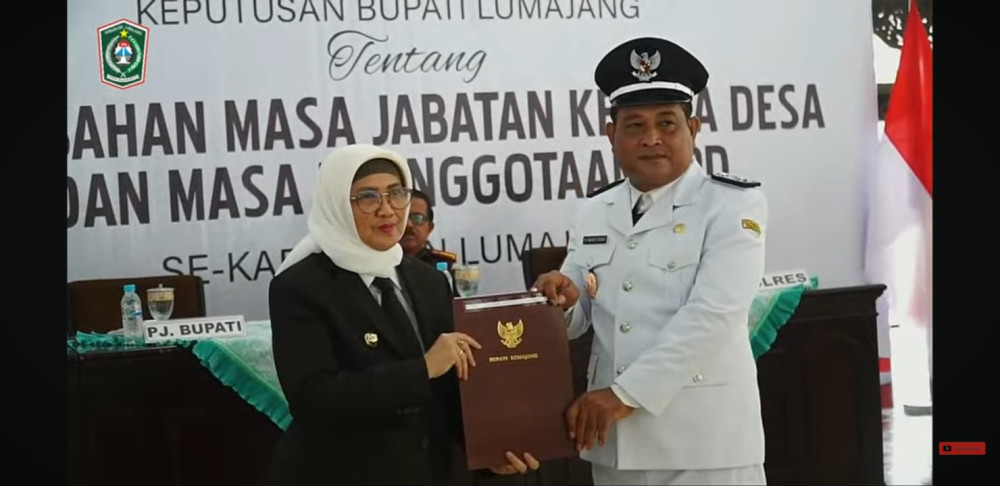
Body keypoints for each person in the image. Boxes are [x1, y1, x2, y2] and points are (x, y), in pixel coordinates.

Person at [532, 37, 769, 485]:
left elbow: (714, 315)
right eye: (635, 125)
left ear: (693, 128)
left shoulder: (731, 204)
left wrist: (623, 395)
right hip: (615, 445)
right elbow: (578, 315)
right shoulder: (595, 210)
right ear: (611, 135)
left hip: (704, 445)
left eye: (667, 123)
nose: (652, 138)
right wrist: (559, 301)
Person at [267, 144, 539, 486]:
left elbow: (454, 386)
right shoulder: (300, 286)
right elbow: (314, 398)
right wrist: (423, 369)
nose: (388, 210)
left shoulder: (429, 281)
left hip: (434, 472)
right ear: (337, 205)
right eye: (368, 197)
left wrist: (488, 452)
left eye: (397, 193)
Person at [401, 189, 459, 272]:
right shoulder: (383, 264)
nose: (408, 225)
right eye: (402, 218)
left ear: (430, 228)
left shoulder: (444, 264)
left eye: (417, 218)